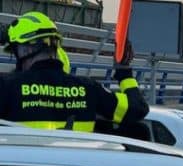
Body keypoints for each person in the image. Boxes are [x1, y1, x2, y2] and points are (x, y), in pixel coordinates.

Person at [0, 12, 148, 131]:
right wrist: (124, 72)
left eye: (16, 50)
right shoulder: (89, 88)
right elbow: (137, 109)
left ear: (27, 49)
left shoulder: (7, 87)